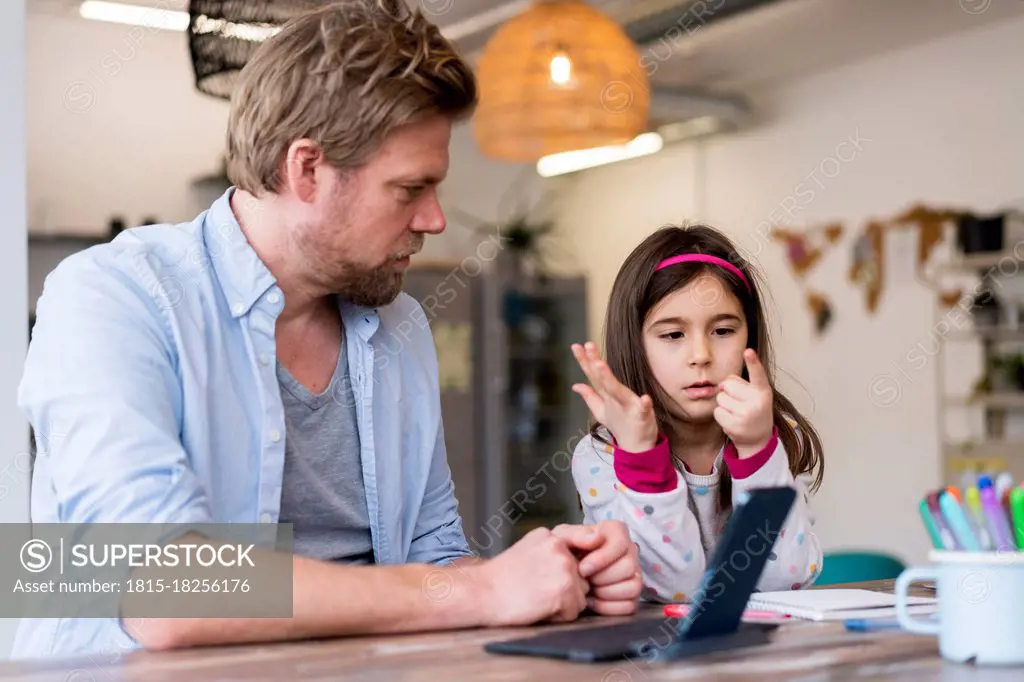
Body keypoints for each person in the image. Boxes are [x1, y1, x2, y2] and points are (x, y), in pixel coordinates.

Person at [14, 1, 640, 660]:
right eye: (409, 189)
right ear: (306, 170)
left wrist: (546, 579)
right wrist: (482, 593)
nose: (433, 220)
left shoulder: (398, 325)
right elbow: (164, 589)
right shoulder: (113, 296)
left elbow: (435, 560)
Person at [568, 224, 825, 603]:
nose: (701, 355)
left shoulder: (778, 437)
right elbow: (674, 590)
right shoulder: (602, 455)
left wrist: (756, 452)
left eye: (723, 331)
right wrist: (640, 455)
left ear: (749, 339)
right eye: (673, 335)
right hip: (641, 653)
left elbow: (784, 579)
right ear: (634, 345)